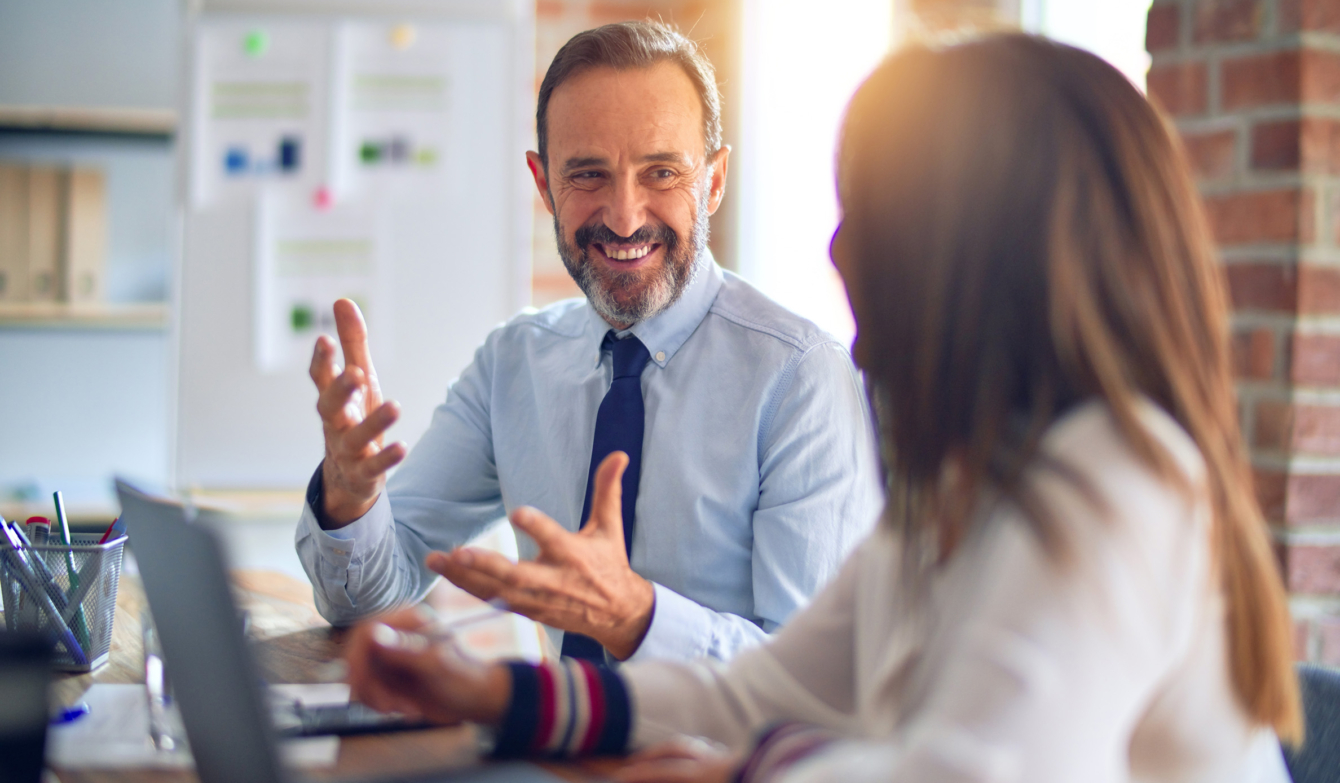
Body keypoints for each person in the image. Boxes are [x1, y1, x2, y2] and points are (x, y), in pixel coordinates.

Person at [339, 34, 1305, 782]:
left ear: (984, 253)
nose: (840, 249)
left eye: (872, 214)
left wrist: (742, 772)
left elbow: (962, 772)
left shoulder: (1114, 483)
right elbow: (756, 693)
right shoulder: (958, 492)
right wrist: (494, 692)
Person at [297, 20, 881, 663]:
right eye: (588, 175)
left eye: (661, 172)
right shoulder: (512, 366)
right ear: (544, 184)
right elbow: (367, 600)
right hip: (554, 725)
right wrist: (349, 501)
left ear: (713, 182)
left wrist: (638, 620)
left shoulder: (800, 379)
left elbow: (816, 678)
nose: (624, 217)